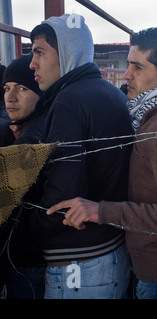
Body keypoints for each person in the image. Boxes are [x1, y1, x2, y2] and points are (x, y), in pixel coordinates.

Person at [47, 27, 157, 299]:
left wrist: (100, 211)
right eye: (129, 64)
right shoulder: (149, 116)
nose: (126, 74)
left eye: (137, 67)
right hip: (153, 271)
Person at [27, 14, 134, 299]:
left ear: (66, 52)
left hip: (78, 263)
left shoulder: (69, 100)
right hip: (109, 250)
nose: (32, 64)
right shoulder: (111, 93)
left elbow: (62, 196)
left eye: (39, 52)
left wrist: (26, 228)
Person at [0, 54, 46, 299]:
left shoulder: (31, 137)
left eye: (22, 88)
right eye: (6, 88)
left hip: (28, 264)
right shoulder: (25, 132)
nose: (10, 97)